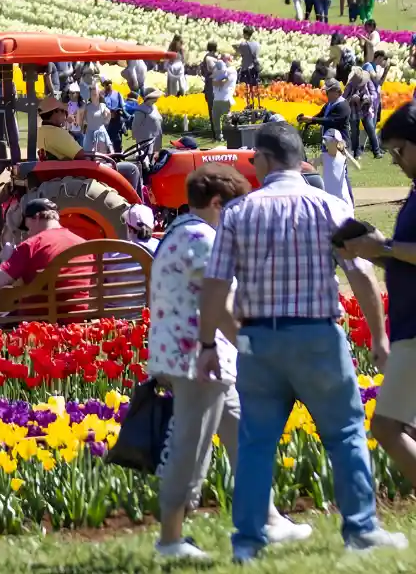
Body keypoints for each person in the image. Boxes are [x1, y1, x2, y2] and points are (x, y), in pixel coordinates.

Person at [197, 122, 402, 561]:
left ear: (266, 159)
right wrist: (379, 335)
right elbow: (362, 275)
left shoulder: (238, 213)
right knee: (345, 433)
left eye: (255, 158)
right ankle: (362, 531)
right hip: (317, 336)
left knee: (256, 442)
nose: (253, 164)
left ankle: (248, 541)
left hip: (257, 340)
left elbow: (215, 285)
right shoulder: (330, 206)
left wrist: (208, 344)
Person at [150, 163, 306, 560]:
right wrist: (255, 349)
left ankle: (268, 518)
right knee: (191, 448)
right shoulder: (205, 239)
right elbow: (219, 305)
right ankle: (170, 540)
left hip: (193, 356)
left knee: (241, 435)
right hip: (199, 361)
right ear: (218, 203)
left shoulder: (179, 231)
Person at [340, 102, 416, 491]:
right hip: (407, 324)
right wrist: (377, 252)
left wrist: (385, 247)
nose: (396, 160)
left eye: (399, 150)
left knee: (387, 428)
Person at [0, 198, 86, 291]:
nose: (28, 233)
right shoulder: (83, 244)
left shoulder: (31, 246)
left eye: (28, 227)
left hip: (44, 302)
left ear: (36, 218)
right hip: (84, 302)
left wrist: (6, 259)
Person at [321, 128, 358, 208]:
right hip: (329, 198)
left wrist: (346, 153)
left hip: (342, 198)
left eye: (328, 140)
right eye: (325, 140)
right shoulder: (323, 157)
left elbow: (357, 167)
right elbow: (310, 165)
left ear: (336, 142)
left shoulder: (342, 157)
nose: (325, 142)